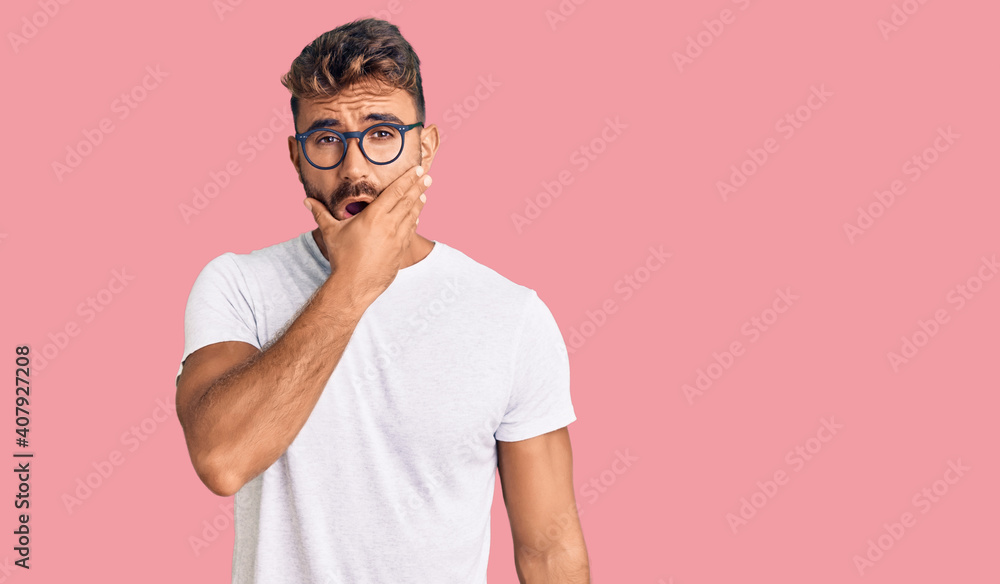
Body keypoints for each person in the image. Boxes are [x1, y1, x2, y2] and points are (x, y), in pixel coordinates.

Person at [174, 17, 589, 584]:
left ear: (425, 145)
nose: (355, 169)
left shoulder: (511, 316)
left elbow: (549, 549)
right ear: (296, 158)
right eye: (326, 139)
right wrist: (355, 283)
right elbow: (223, 459)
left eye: (382, 133)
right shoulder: (237, 284)